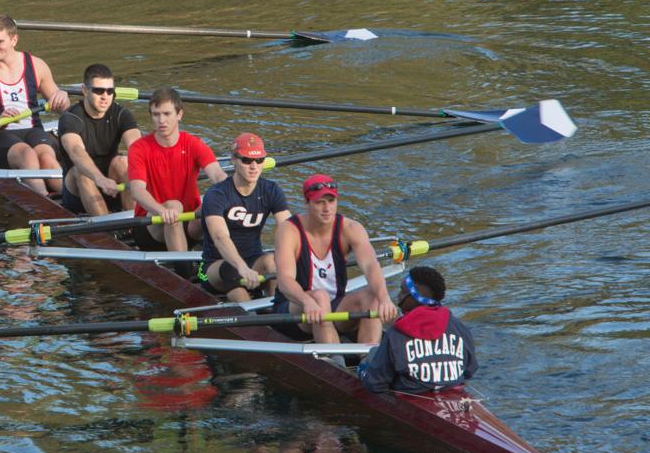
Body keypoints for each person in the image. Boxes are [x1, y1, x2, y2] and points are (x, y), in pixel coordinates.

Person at [272, 174, 398, 345]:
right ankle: (334, 357)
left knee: (373, 296)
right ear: (306, 203)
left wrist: (384, 298)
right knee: (320, 297)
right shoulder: (289, 230)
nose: (327, 208)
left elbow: (370, 266)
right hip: (296, 310)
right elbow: (285, 280)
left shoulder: (351, 228)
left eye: (331, 201)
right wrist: (306, 301)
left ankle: (369, 357)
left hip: (335, 308)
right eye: (319, 202)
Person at [0, 14, 70, 196]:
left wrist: (62, 97)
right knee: (28, 155)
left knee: (46, 157)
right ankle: (44, 200)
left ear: (14, 40)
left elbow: (64, 109)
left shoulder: (36, 65)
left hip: (33, 130)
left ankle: (72, 199)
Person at [126, 88, 228, 266]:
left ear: (179, 114)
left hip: (188, 224)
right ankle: (185, 273)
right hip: (151, 228)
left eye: (167, 114)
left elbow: (217, 174)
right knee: (174, 206)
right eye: (156, 114)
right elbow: (137, 190)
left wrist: (233, 191)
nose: (161, 120)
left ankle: (232, 261)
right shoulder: (139, 148)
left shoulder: (193, 144)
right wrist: (161, 210)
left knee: (215, 200)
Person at [197, 133, 291, 303]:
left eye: (259, 160)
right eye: (247, 160)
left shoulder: (271, 190)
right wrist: (241, 267)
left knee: (274, 261)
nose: (254, 167)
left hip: (253, 262)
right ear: (233, 159)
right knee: (231, 270)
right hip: (214, 268)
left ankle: (275, 306)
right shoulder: (217, 194)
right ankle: (252, 316)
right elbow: (220, 237)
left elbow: (289, 229)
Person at [358, 266, 477, 393]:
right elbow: (470, 369)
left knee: (372, 354)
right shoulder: (459, 327)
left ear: (415, 297)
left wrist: (364, 373)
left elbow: (375, 384)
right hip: (449, 390)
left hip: (411, 393)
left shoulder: (396, 333)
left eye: (402, 291)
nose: (398, 296)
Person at [58, 64, 141, 217]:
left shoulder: (122, 114)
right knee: (81, 171)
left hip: (112, 187)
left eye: (110, 91)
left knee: (124, 162)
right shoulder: (70, 118)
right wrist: (99, 179)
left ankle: (135, 221)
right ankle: (106, 226)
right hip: (78, 194)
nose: (105, 97)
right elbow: (76, 151)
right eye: (98, 91)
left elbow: (138, 147)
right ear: (85, 90)